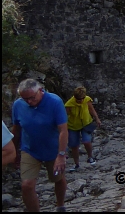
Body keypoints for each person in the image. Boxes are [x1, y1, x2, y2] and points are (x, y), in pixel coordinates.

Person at [11, 79, 68, 212]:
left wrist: (61, 155)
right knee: (27, 185)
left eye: (32, 98)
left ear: (40, 91)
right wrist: (14, 152)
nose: (29, 101)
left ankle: (60, 205)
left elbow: (63, 130)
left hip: (53, 149)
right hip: (30, 149)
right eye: (25, 99)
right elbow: (16, 129)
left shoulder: (55, 102)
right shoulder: (18, 105)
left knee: (57, 179)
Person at [64, 86, 101, 172]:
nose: (80, 100)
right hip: (73, 126)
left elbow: (91, 110)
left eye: (82, 99)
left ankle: (90, 157)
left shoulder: (87, 100)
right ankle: (76, 163)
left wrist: (97, 118)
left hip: (86, 124)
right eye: (78, 99)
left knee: (86, 141)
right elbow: (64, 117)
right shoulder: (69, 104)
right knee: (74, 145)